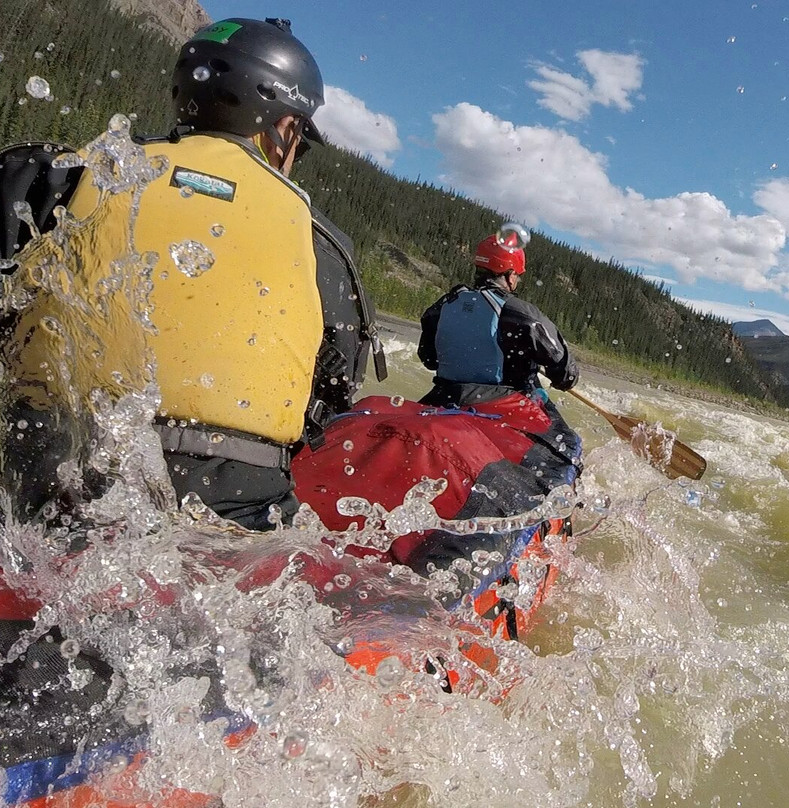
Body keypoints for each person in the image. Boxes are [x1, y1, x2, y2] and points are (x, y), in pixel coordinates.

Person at [0, 18, 383, 531]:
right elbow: (332, 396)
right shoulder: (322, 244)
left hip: (52, 468)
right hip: (234, 496)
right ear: (285, 127)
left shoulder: (66, 174)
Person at [417, 225, 578, 408]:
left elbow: (429, 359)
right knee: (561, 428)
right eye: (517, 275)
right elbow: (567, 375)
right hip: (503, 404)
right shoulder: (522, 315)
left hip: (444, 396)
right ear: (510, 275)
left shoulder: (444, 304)